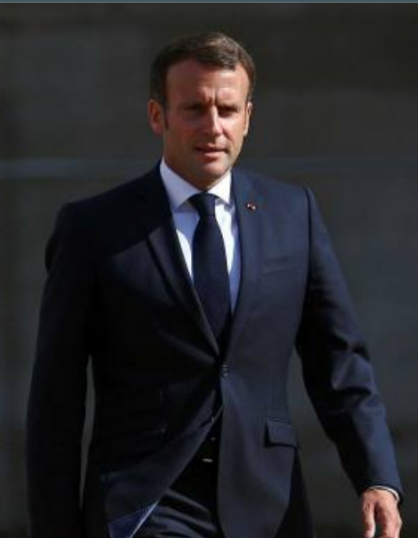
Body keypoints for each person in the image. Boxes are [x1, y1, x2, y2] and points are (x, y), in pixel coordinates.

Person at [26, 32, 402, 538]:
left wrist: (377, 477)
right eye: (194, 109)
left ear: (248, 117)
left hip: (268, 501)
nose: (213, 127)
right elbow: (56, 396)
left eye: (227, 110)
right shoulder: (94, 229)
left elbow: (339, 362)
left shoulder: (294, 214)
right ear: (157, 116)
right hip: (146, 501)